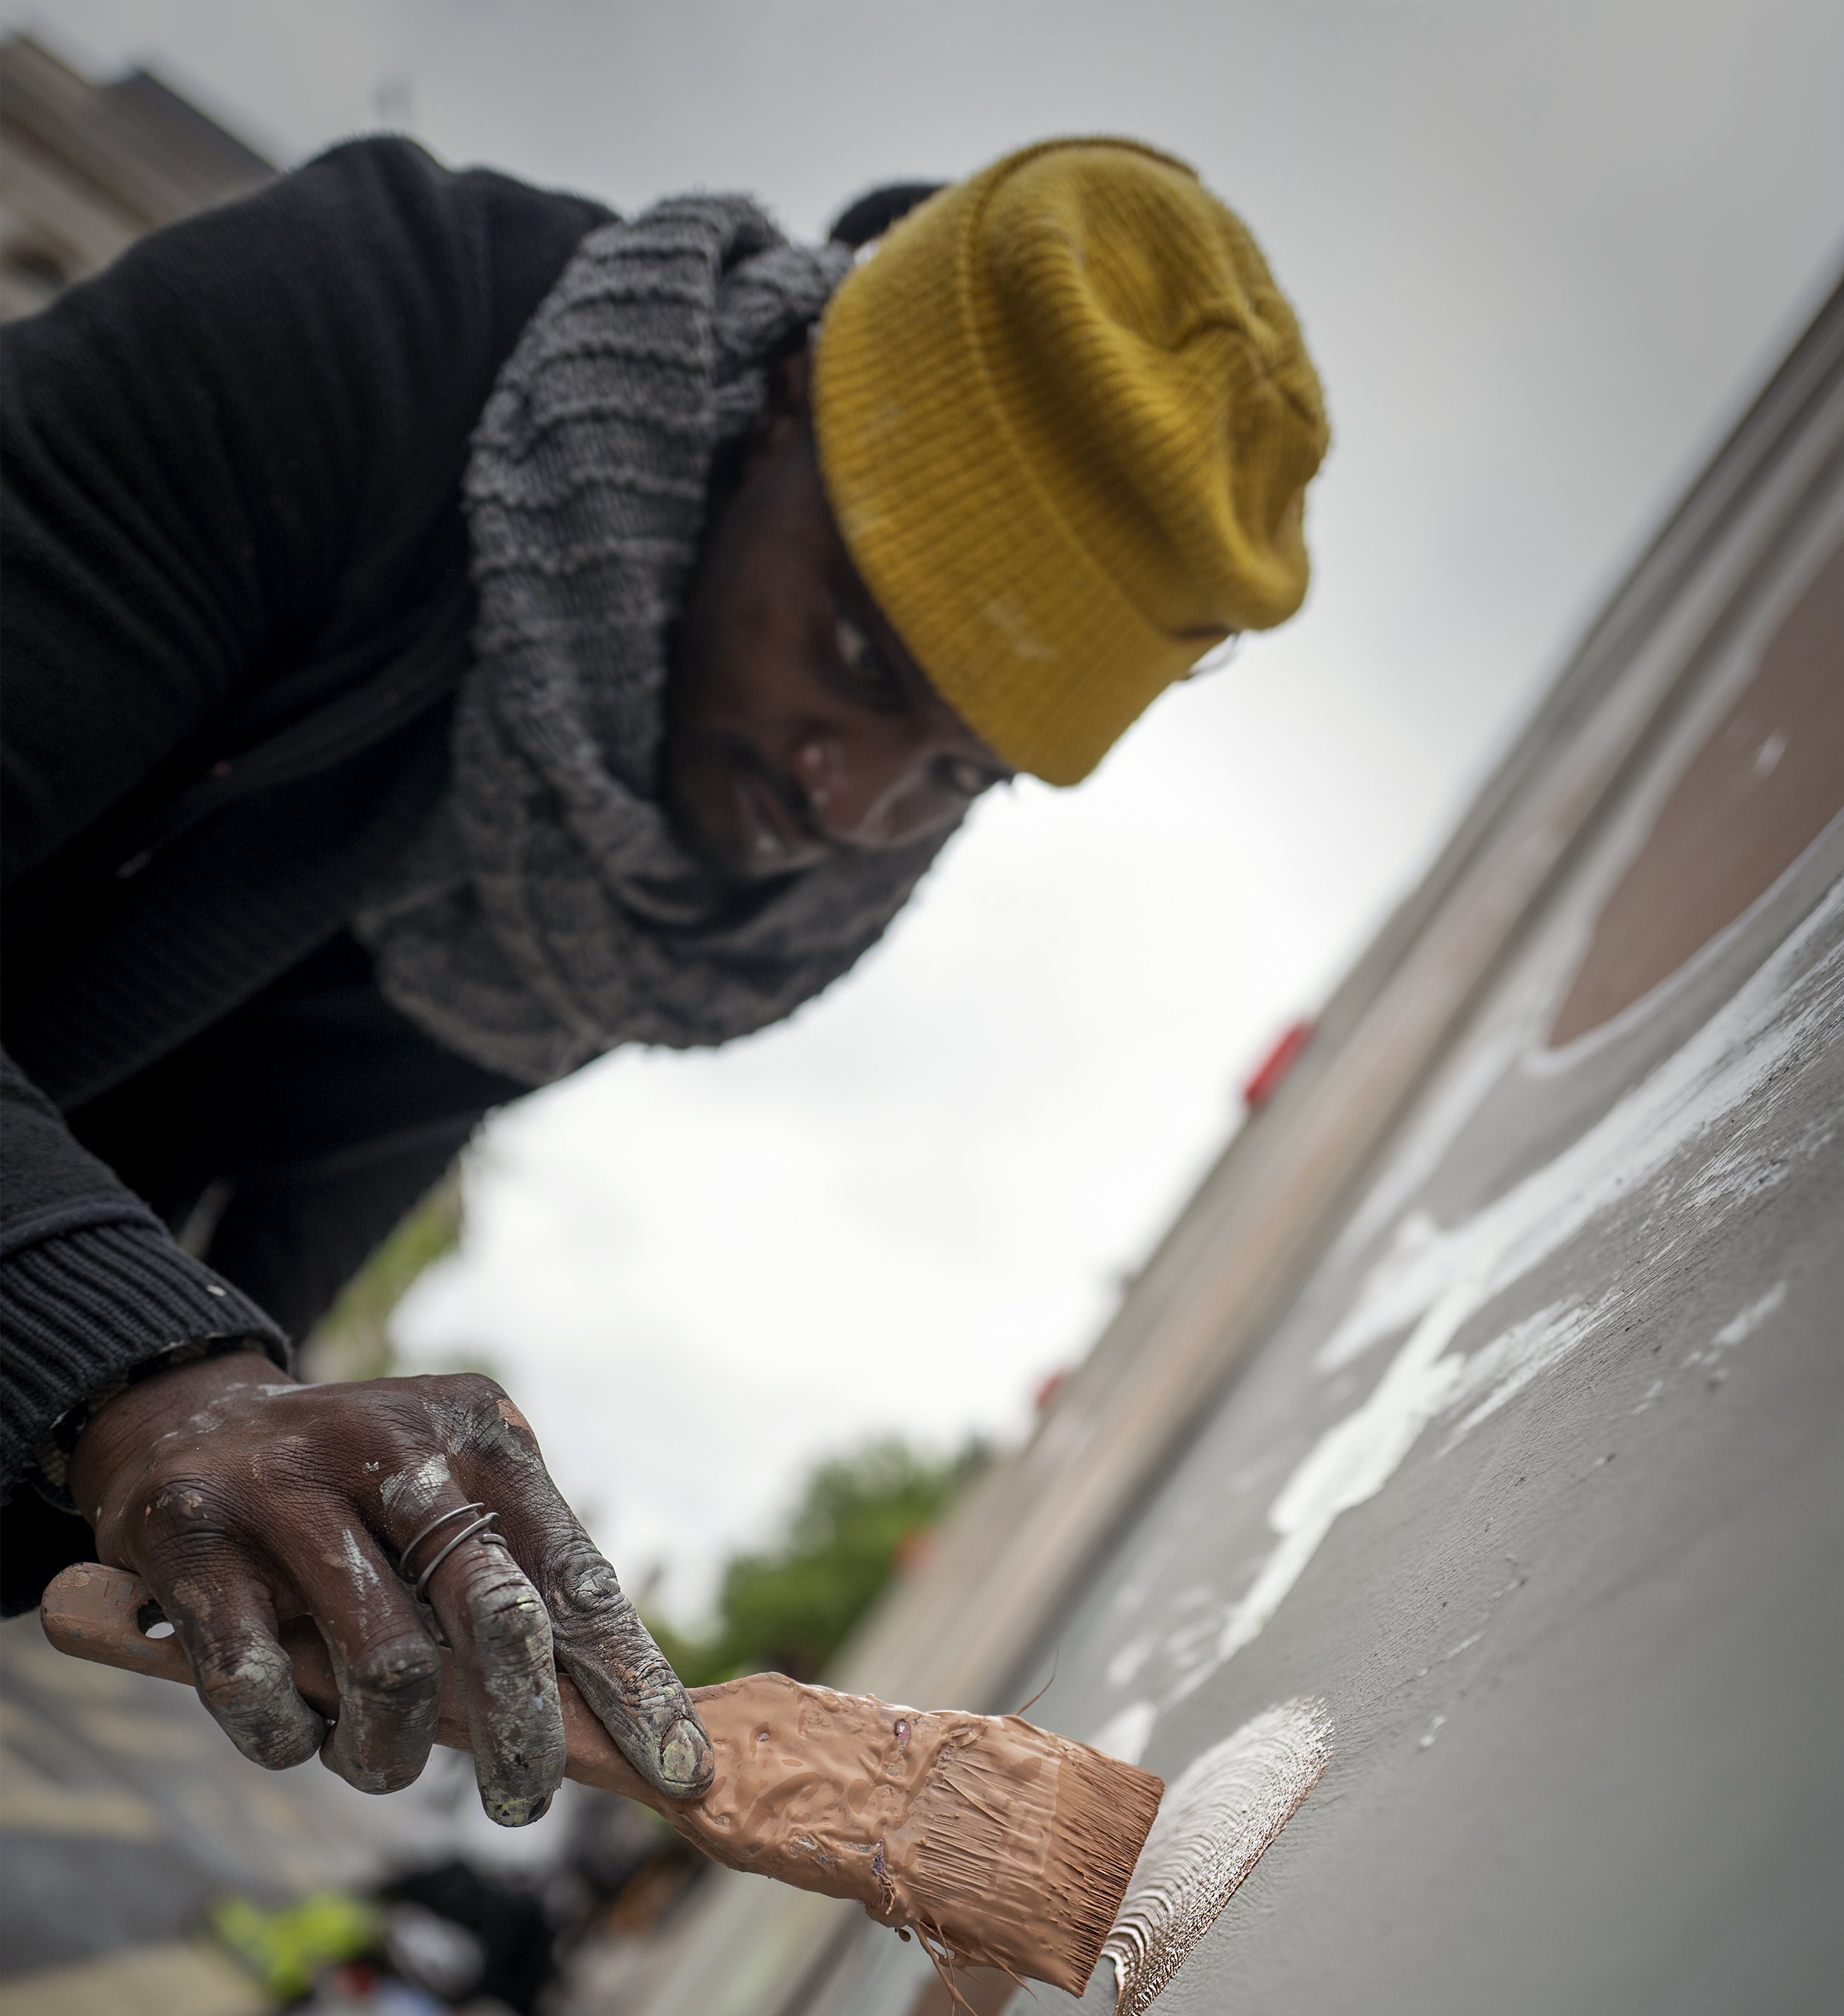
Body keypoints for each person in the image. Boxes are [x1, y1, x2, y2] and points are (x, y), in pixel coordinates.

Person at [0, 134, 1328, 1828]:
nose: (848, 806)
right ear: (778, 400)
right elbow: (165, 1357)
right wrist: (145, 1384)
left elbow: (263, 1269)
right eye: (860, 657)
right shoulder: (359, 335)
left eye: (956, 775)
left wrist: (279, 1517)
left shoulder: (637, 896)